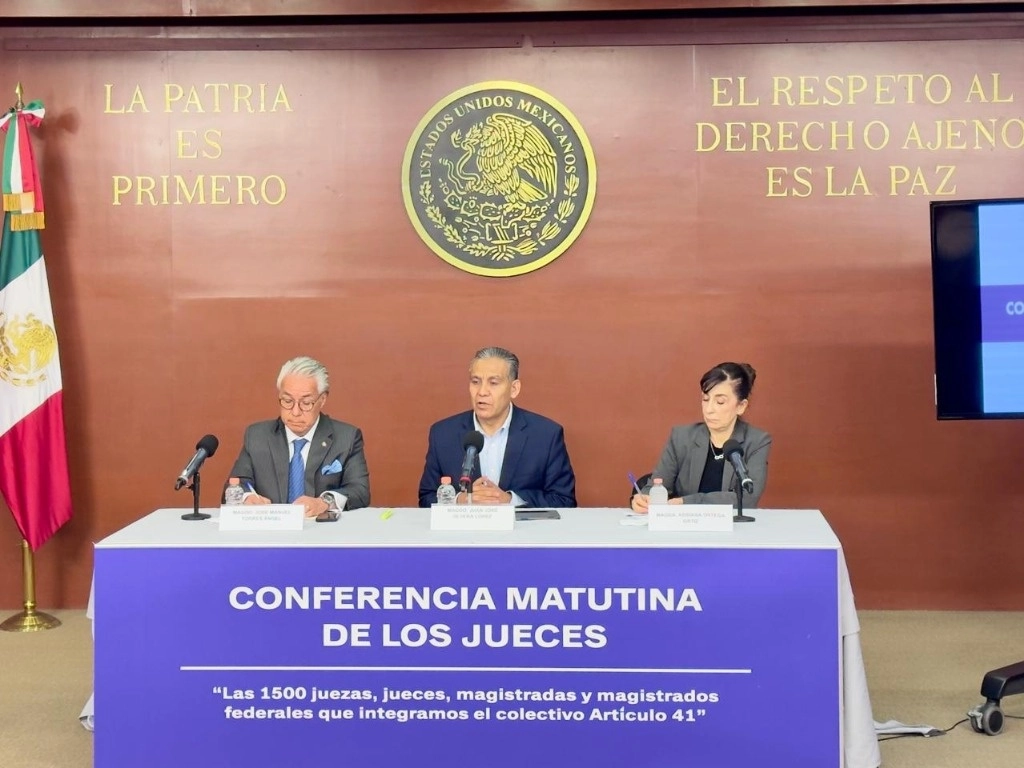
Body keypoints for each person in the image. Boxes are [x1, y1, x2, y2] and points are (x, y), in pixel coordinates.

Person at [418, 346, 576, 508]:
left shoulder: (545, 435)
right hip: (463, 532)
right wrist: (460, 500)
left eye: (493, 383)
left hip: (522, 532)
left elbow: (564, 501)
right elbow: (426, 498)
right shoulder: (443, 434)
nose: (482, 392)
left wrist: (509, 500)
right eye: (475, 382)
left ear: (514, 389)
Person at [228, 356, 370, 516]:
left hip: (322, 532)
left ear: (322, 400)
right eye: (287, 401)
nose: (295, 412)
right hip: (271, 533)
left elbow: (360, 491)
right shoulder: (257, 436)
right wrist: (246, 497)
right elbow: (236, 484)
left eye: (306, 403)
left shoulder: (346, 438)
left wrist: (323, 502)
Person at [631, 362, 771, 512]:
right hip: (684, 527)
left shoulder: (757, 441)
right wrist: (643, 498)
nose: (709, 409)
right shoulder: (681, 437)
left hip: (732, 528)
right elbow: (657, 485)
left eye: (720, 402)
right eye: (705, 399)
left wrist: (688, 502)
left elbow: (747, 497)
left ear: (741, 406)